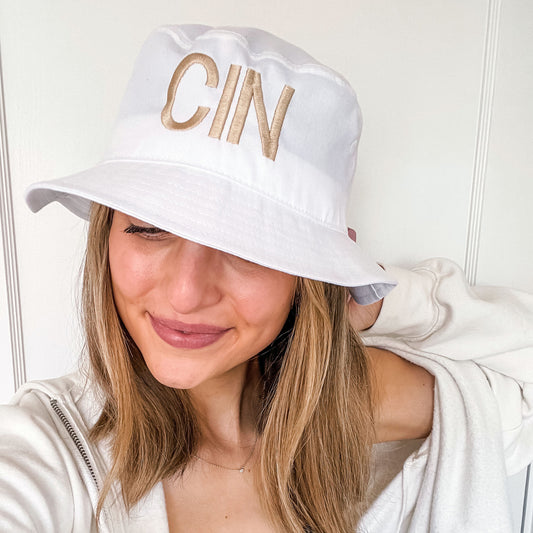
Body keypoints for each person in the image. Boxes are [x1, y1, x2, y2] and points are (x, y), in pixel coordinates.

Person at [0, 24, 532, 533]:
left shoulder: (344, 416)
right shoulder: (48, 449)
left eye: (247, 249)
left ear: (311, 276)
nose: (186, 293)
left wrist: (367, 299)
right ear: (108, 233)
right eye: (149, 230)